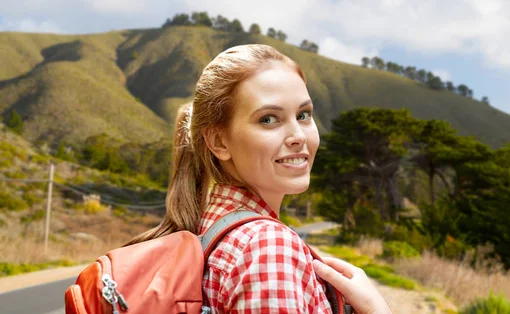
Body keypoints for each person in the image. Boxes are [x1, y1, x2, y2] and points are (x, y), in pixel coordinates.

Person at [126, 44, 390, 313]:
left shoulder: (208, 226)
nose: (298, 135)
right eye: (268, 119)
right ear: (219, 141)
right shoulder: (268, 247)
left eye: (303, 115)